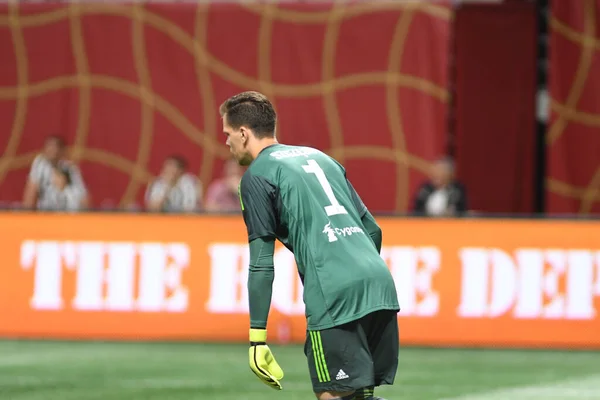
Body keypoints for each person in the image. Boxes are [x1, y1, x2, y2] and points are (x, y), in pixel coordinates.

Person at [220, 91, 399, 400]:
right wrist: (357, 271)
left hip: (334, 294)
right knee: (358, 396)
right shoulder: (320, 158)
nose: (226, 142)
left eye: (227, 134)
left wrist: (257, 339)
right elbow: (372, 229)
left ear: (244, 133)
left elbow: (261, 263)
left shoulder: (257, 176)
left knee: (333, 395)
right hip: (378, 285)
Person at [23, 135, 88, 210]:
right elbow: (31, 194)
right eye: (50, 147)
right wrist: (27, 217)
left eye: (55, 147)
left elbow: (84, 198)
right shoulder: (40, 165)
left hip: (69, 215)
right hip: (47, 216)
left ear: (62, 150)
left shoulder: (70, 169)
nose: (53, 151)